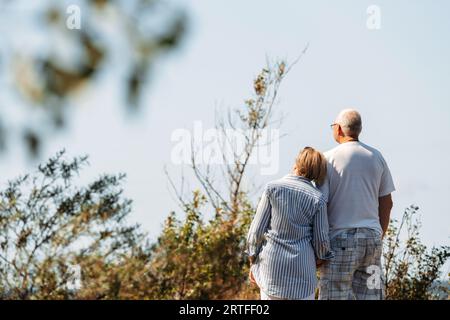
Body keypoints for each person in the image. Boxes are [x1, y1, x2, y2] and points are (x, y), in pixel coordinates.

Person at [318, 109, 395, 300]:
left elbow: (319, 205)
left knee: (334, 295)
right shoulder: (377, 157)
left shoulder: (328, 159)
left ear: (339, 129)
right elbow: (387, 202)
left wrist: (319, 246)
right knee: (371, 295)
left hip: (340, 240)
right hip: (372, 241)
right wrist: (379, 234)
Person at [246, 147, 334, 300]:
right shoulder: (318, 199)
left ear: (297, 164)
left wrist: (252, 260)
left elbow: (256, 232)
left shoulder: (272, 188)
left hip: (270, 270)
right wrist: (321, 257)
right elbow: (321, 240)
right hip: (302, 274)